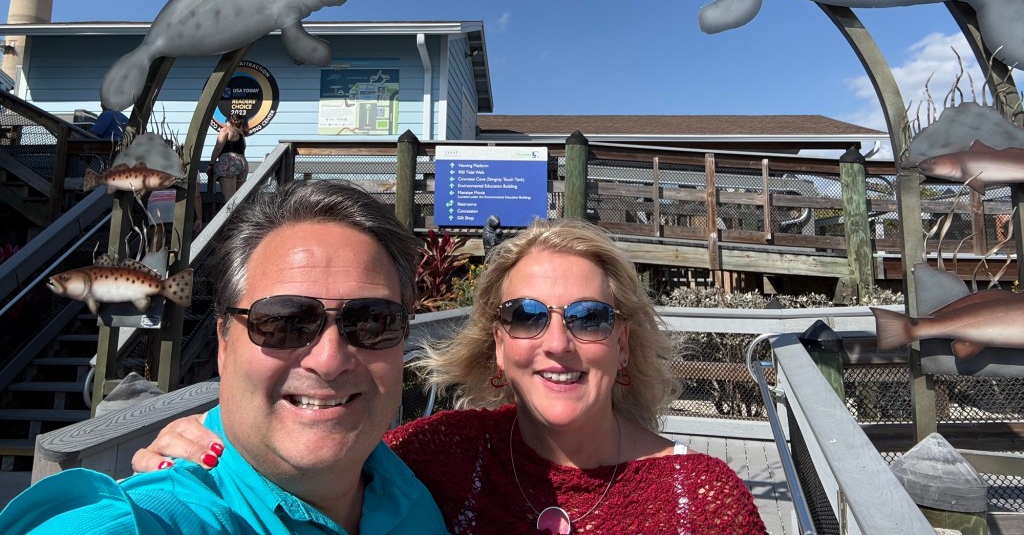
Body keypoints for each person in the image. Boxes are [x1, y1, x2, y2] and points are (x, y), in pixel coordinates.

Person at [132, 219, 767, 534]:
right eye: (526, 317)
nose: (557, 344)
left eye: (589, 318)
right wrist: (211, 436)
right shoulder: (439, 453)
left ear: (622, 345)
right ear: (498, 347)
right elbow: (318, 441)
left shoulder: (704, 500)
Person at [0, 179, 448, 535]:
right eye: (284, 321)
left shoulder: (419, 484)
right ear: (224, 343)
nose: (329, 360)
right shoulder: (150, 518)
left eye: (372, 321)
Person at [207, 113, 249, 201]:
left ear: (230, 121)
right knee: (239, 199)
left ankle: (231, 211)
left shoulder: (225, 130)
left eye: (226, 121)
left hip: (228, 163)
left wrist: (211, 164)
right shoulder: (241, 134)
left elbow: (218, 148)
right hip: (243, 164)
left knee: (230, 199)